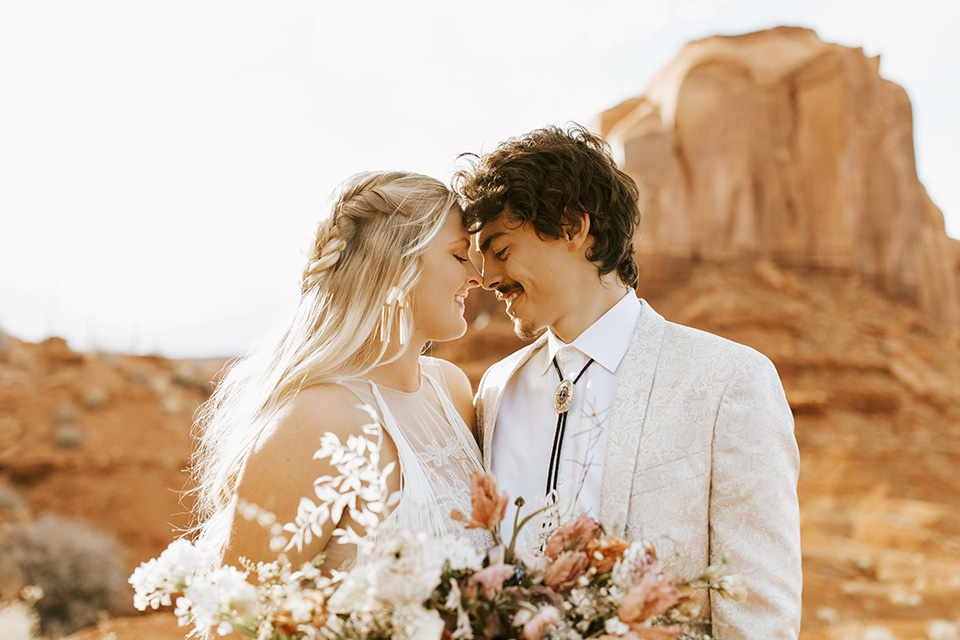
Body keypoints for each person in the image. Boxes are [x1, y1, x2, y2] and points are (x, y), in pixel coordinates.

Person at [455, 125, 802, 639]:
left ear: (573, 228)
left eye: (501, 250)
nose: (486, 277)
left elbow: (757, 609)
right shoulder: (494, 389)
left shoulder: (728, 381)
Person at [188, 171, 489, 573]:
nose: (478, 275)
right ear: (395, 267)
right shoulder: (313, 423)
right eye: (458, 255)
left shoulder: (451, 391)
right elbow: (237, 624)